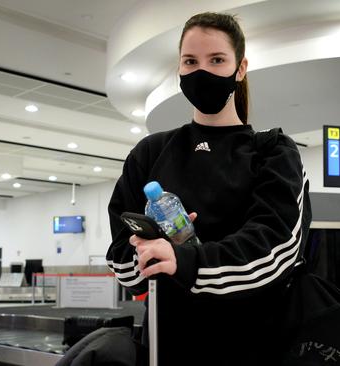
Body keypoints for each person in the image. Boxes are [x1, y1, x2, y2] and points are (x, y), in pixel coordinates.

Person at [106, 12, 311, 366]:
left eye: (217, 60)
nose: (202, 71)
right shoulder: (150, 153)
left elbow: (276, 249)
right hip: (165, 346)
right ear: (180, 70)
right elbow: (120, 257)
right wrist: (150, 253)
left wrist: (186, 261)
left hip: (253, 345)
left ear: (240, 68)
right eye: (191, 61)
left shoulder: (274, 152)